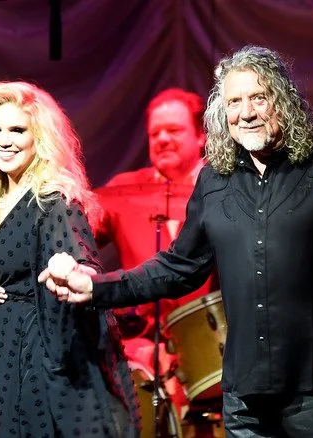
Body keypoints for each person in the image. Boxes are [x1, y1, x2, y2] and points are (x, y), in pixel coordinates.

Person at [41, 45, 313, 437]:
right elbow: (178, 267)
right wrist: (95, 286)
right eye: (234, 101)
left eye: (259, 97)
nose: (247, 112)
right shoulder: (215, 182)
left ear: (285, 102)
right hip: (245, 395)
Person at [0, 80, 139, 437]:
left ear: (40, 138)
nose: (3, 140)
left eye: (17, 130)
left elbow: (84, 266)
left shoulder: (53, 201)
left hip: (33, 357)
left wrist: (72, 268)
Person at [92, 88, 218, 417]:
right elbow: (74, 240)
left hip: (215, 343)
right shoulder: (125, 191)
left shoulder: (228, 186)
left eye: (173, 130)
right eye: (154, 133)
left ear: (201, 135)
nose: (162, 139)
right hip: (142, 347)